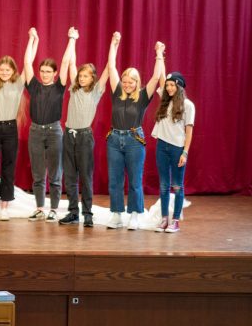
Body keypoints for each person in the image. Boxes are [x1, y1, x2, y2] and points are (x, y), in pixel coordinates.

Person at [105, 32, 165, 230]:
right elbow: (111, 66)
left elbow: (156, 76)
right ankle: (116, 215)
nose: (128, 83)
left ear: (137, 82)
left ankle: (134, 215)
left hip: (134, 140)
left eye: (132, 80)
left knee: (135, 179)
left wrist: (159, 53)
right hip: (114, 139)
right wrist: (114, 44)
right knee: (115, 180)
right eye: (125, 80)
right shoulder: (116, 94)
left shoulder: (142, 96)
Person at [0, 31, 34, 221]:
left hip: (10, 130)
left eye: (7, 70)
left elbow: (29, 63)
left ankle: (4, 207)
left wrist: (31, 40)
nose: (4, 72)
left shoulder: (19, 84)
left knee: (8, 168)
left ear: (13, 71)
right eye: (1, 69)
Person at [58, 28, 109, 228]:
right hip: (68, 136)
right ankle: (73, 212)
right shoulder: (73, 88)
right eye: (81, 75)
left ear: (93, 79)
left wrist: (113, 46)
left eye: (86, 76)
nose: (81, 78)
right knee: (70, 176)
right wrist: (72, 39)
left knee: (85, 177)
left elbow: (107, 71)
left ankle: (88, 213)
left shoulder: (96, 92)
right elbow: (71, 63)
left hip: (84, 138)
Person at [24, 27, 75, 222]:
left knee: (55, 174)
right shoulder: (34, 85)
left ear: (54, 73)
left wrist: (71, 38)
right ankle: (39, 208)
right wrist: (32, 39)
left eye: (48, 72)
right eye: (42, 71)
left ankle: (54, 209)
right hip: (36, 131)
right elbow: (27, 61)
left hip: (54, 132)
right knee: (38, 174)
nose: (44, 74)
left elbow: (65, 61)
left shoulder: (60, 86)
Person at [152, 71, 195, 233]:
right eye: (167, 85)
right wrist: (160, 54)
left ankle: (175, 220)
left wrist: (185, 153)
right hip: (161, 146)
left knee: (177, 186)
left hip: (177, 148)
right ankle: (164, 219)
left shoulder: (188, 105)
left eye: (172, 85)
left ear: (180, 86)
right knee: (163, 185)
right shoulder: (165, 102)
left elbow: (189, 131)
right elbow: (162, 76)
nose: (169, 88)